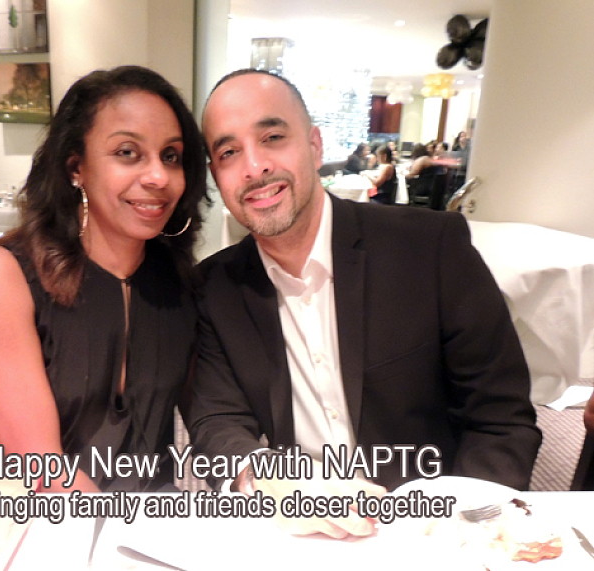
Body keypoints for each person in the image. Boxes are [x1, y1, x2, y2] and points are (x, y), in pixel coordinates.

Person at [184, 69, 540, 538]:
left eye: (272, 137)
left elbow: (499, 419)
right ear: (216, 175)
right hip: (306, 532)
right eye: (229, 153)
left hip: (433, 530)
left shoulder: (429, 248)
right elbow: (216, 419)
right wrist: (266, 478)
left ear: (315, 146)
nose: (253, 166)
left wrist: (460, 530)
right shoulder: (215, 287)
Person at [0, 66, 209, 493]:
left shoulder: (178, 280)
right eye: (128, 152)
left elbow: (208, 414)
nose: (158, 176)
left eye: (171, 156)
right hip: (39, 519)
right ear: (76, 167)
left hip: (151, 516)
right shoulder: (2, 277)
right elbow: (41, 469)